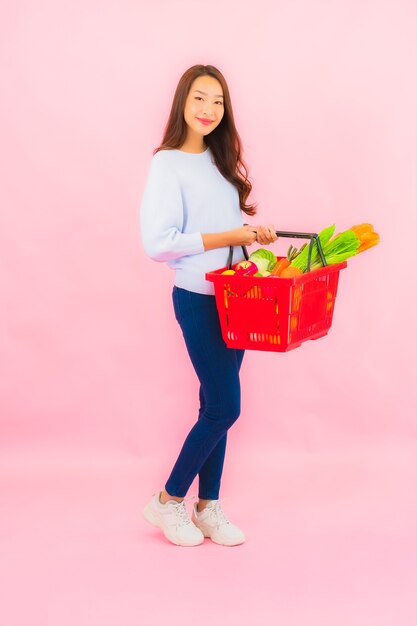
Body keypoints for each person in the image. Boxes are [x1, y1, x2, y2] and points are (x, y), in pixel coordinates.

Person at [139, 64, 278, 547]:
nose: (208, 110)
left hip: (235, 299)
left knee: (211, 404)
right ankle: (167, 499)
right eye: (199, 98)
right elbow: (159, 243)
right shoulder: (167, 163)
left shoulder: (221, 164)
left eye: (217, 101)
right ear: (182, 102)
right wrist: (230, 234)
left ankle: (208, 505)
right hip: (197, 299)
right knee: (223, 406)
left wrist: (254, 242)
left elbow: (229, 238)